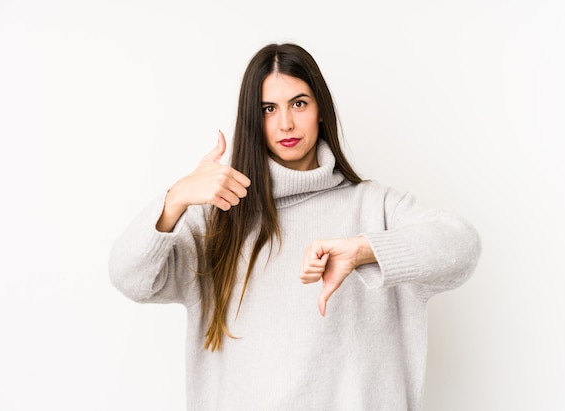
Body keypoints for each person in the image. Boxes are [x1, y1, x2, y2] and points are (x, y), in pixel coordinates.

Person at [109, 42, 481, 411]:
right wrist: (174, 198)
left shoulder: (374, 207)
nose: (285, 122)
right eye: (268, 109)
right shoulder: (220, 218)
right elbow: (130, 277)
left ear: (321, 110)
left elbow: (462, 247)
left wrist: (363, 251)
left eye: (298, 103)